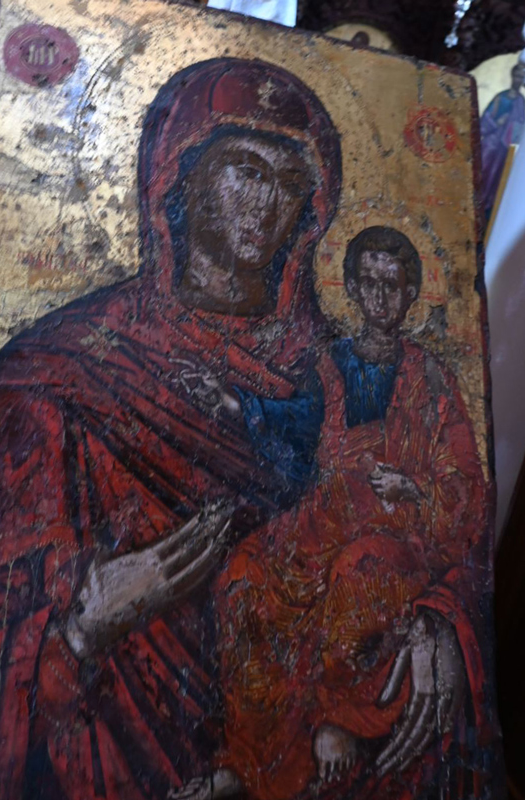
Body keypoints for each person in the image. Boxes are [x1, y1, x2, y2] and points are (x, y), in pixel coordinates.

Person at [0, 58, 342, 800]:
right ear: (178, 178)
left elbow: (387, 537)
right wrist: (84, 628)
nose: (268, 201)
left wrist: (430, 617)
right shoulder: (48, 375)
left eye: (290, 183)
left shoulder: (338, 377)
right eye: (246, 170)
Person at [173, 227, 499, 799]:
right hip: (324, 521)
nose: (379, 297)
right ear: (350, 287)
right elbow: (295, 423)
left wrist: (413, 488)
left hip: (400, 533)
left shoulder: (432, 379)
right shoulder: (330, 365)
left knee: (358, 571)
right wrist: (229, 402)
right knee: (243, 576)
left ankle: (340, 722)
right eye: (368, 282)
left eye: (392, 285)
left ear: (411, 293)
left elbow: (466, 483)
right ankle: (248, 759)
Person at [480, 61, 525, 221]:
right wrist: (497, 123)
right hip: (490, 145)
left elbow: (521, 127)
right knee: (482, 175)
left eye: (522, 77)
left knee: (497, 183)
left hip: (506, 151)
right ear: (512, 76)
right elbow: (484, 121)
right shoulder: (501, 97)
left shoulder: (521, 103)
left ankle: (486, 216)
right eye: (517, 76)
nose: (518, 79)